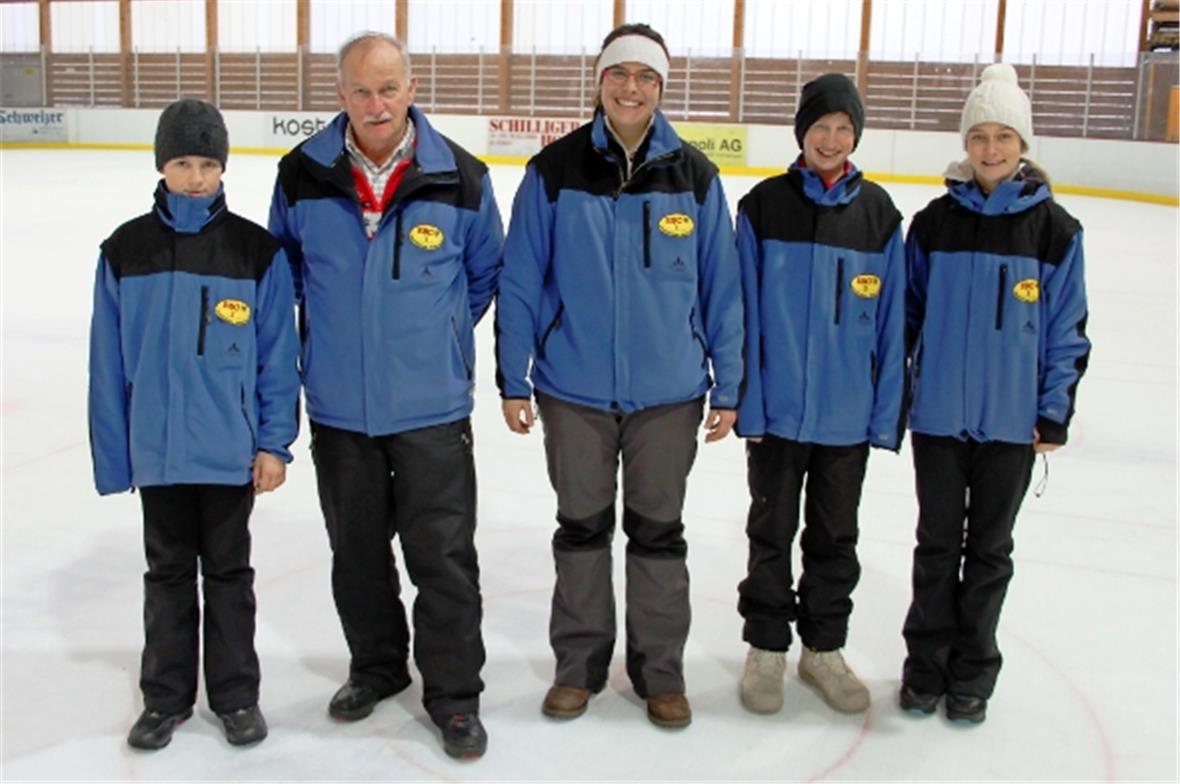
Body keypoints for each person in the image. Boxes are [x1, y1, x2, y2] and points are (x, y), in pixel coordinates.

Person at [495, 22, 744, 730]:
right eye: (619, 74)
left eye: (645, 77)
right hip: (572, 390)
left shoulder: (695, 176)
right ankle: (577, 668)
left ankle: (661, 673)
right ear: (599, 81)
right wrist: (513, 377)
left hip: (669, 393)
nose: (631, 89)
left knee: (658, 534)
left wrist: (729, 384)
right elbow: (521, 280)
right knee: (581, 531)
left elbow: (722, 289)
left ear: (661, 87)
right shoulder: (553, 171)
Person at [267, 31, 502, 759]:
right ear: (340, 93)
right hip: (341, 407)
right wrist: (343, 337)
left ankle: (454, 697)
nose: (376, 104)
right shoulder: (301, 173)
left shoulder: (461, 176)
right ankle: (376, 667)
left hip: (431, 408)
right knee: (358, 553)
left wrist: (427, 340)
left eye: (389, 88)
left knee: (444, 558)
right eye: (362, 90)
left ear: (411, 89)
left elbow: (482, 276)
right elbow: (286, 273)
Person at [89, 98, 300, 750]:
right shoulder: (126, 251)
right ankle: (165, 699)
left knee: (230, 577)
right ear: (162, 165)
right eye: (182, 163)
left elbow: (277, 357)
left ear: (223, 167)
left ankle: (236, 697)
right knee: (167, 577)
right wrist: (116, 457)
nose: (195, 177)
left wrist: (273, 444)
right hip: (158, 452)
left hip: (228, 452)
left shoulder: (254, 251)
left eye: (207, 164)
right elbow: (106, 363)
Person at [899, 63, 1090, 724]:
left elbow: (1067, 329)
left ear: (1022, 144)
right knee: (935, 547)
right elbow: (906, 317)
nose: (990, 148)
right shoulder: (932, 224)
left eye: (1003, 136)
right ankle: (925, 669)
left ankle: (972, 673)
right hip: (939, 418)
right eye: (979, 135)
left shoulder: (1056, 231)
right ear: (965, 143)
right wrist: (897, 394)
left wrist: (1053, 411)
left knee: (988, 553)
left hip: (1011, 424)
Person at [733, 74, 905, 716]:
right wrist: (748, 402)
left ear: (855, 136)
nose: (830, 139)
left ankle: (823, 649)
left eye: (843, 128)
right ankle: (766, 648)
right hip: (777, 414)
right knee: (771, 532)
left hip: (846, 419)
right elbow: (743, 314)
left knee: (835, 538)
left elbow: (892, 325)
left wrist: (883, 416)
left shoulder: (880, 216)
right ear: (801, 132)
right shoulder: (763, 207)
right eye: (820, 127)